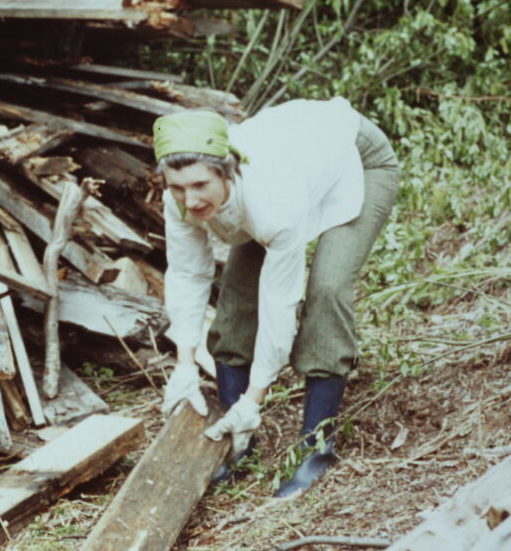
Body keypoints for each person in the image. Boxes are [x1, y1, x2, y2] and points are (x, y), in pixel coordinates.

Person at [155, 96, 400, 497]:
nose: (191, 200)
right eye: (179, 188)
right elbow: (186, 272)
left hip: (357, 157)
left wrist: (256, 397)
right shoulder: (180, 198)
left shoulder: (272, 201)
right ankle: (239, 446)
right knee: (235, 299)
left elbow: (279, 301)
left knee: (326, 289)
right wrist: (184, 364)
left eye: (201, 185)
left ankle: (315, 449)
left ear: (227, 170)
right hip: (300, 162)